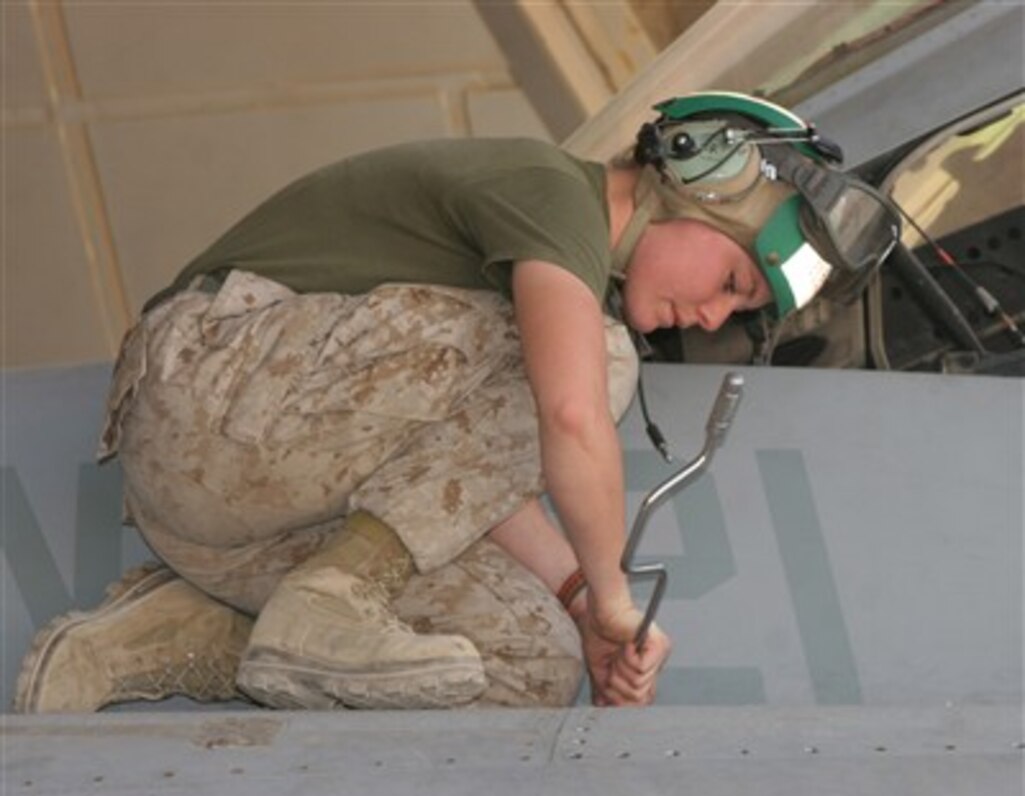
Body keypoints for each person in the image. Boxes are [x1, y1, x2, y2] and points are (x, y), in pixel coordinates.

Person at [14, 91, 899, 713]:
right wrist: (613, 591)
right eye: (732, 281)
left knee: (520, 667)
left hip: (261, 510)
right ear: (695, 177)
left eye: (735, 312)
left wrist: (580, 611)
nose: (710, 315)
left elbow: (467, 466)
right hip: (203, 399)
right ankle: (330, 597)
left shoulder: (517, 323)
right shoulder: (549, 193)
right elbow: (567, 415)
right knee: (591, 357)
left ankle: (172, 635)